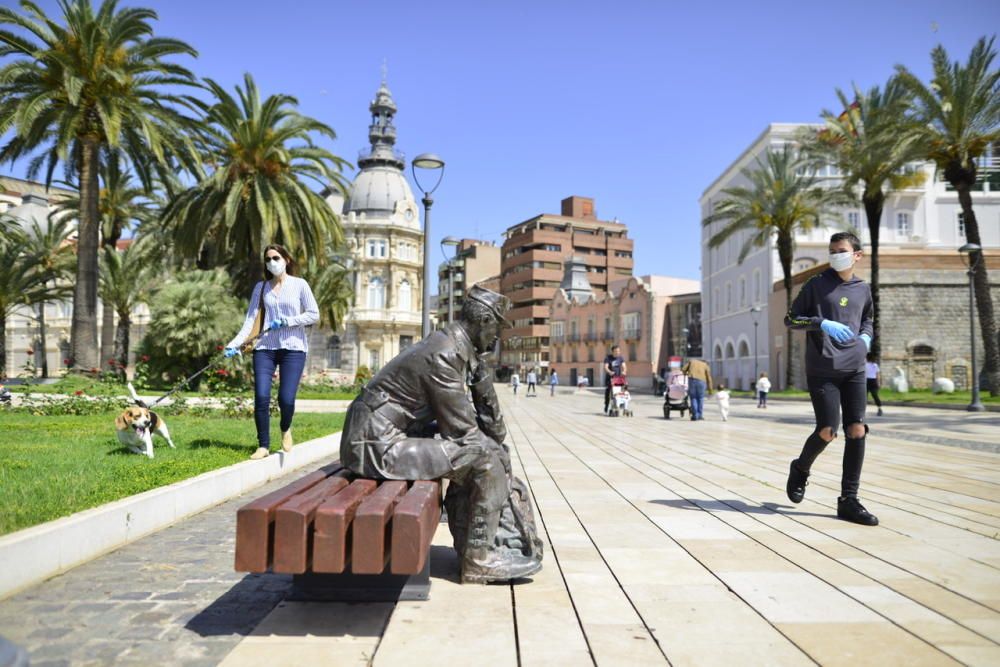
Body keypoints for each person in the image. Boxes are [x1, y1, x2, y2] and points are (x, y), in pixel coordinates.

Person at [339, 285, 543, 583]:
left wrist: (481, 375)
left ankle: (470, 542)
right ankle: (478, 558)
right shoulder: (444, 354)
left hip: (387, 435)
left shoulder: (457, 349)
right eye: (497, 328)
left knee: (489, 451)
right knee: (482, 458)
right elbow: (465, 433)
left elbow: (494, 431)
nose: (498, 337)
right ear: (484, 322)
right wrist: (494, 445)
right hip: (375, 444)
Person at [784, 231, 878, 526]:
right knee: (827, 431)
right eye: (833, 250)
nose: (836, 254)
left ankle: (849, 500)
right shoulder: (816, 285)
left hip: (855, 369)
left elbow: (868, 318)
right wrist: (821, 322)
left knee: (857, 430)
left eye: (842, 250)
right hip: (823, 369)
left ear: (857, 255)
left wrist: (866, 338)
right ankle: (800, 468)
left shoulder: (863, 289)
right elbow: (791, 319)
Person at [224, 245, 318, 460]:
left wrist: (288, 321)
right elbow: (250, 320)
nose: (272, 262)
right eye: (268, 260)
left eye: (276, 258)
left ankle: (285, 428)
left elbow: (314, 314)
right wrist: (233, 344)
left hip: (293, 348)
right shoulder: (261, 287)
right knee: (262, 396)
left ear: (286, 259)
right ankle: (263, 445)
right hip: (265, 348)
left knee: (286, 399)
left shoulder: (300, 285)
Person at [603, 345, 627, 414]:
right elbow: (606, 367)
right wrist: (609, 372)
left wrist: (624, 371)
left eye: (619, 351)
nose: (618, 352)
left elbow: (624, 366)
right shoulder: (608, 358)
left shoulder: (620, 358)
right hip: (610, 378)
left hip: (618, 378)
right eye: (616, 351)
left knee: (620, 392)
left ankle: (620, 404)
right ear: (612, 352)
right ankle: (606, 404)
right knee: (608, 392)